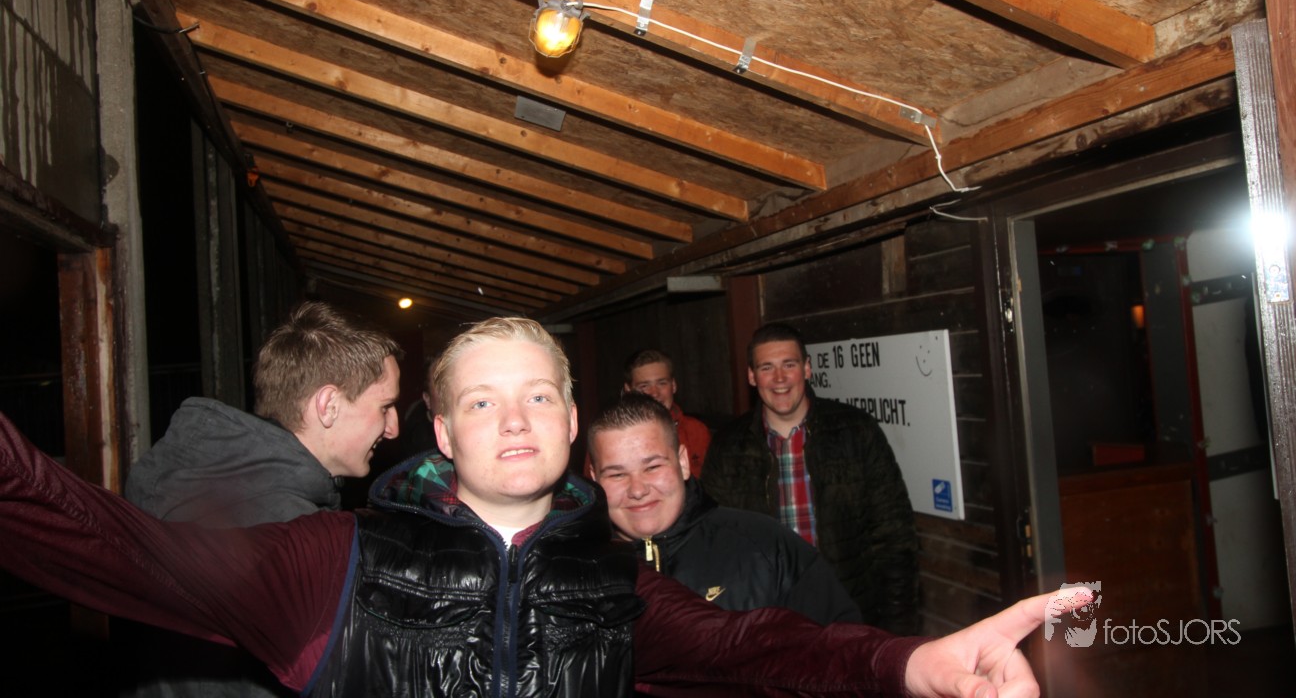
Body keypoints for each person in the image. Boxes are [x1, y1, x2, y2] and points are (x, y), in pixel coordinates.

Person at [0, 315, 1089, 697]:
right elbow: (122, 550)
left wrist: (914, 664)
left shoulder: (611, 583)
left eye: (537, 396)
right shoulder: (332, 559)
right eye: (482, 400)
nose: (513, 419)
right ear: (442, 432)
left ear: (571, 423)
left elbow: (756, 646)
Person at [119, 300, 403, 698]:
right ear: (328, 406)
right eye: (385, 407)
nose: (393, 428)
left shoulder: (182, 478)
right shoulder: (288, 534)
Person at [704, 322, 920, 634]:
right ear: (752, 376)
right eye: (767, 367)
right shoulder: (727, 446)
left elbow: (894, 535)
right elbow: (715, 543)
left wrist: (897, 630)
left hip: (850, 617)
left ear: (807, 368)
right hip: (767, 624)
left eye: (789, 364)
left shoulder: (856, 431)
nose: (779, 378)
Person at [588, 391, 861, 624]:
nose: (637, 490)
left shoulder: (767, 548)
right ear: (594, 479)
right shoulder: (578, 576)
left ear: (683, 462)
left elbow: (845, 650)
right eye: (617, 474)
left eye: (653, 467)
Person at [623, 348, 711, 477]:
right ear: (628, 390)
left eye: (662, 383)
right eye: (644, 386)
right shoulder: (615, 438)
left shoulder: (696, 432)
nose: (654, 393)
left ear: (673, 385)